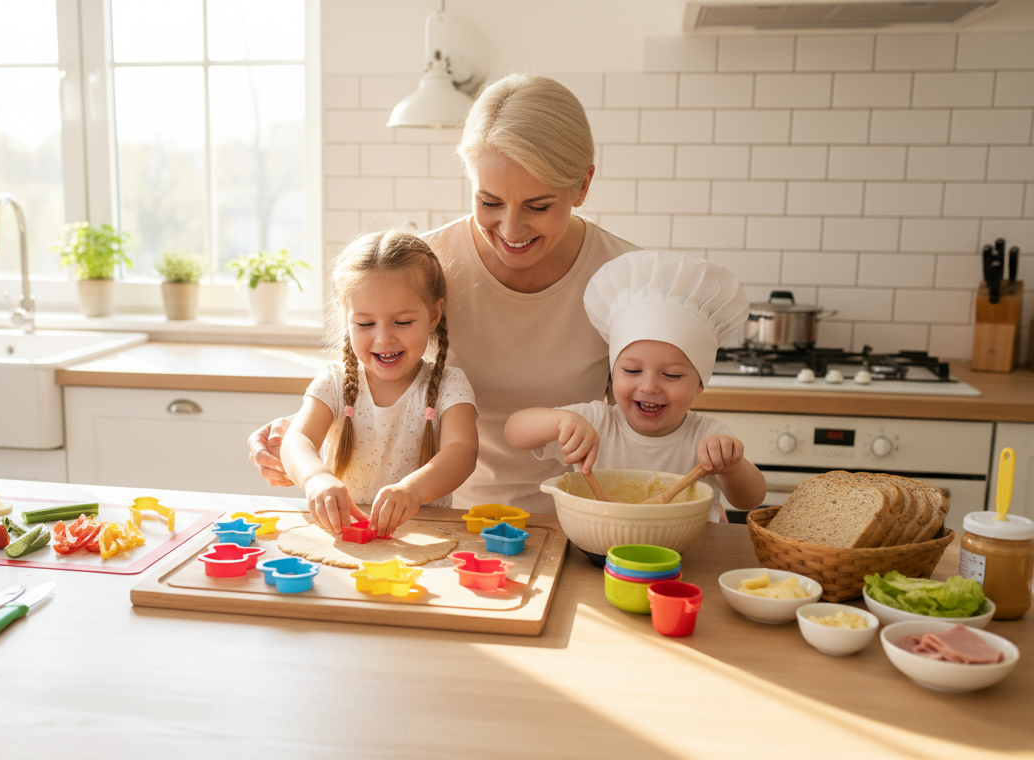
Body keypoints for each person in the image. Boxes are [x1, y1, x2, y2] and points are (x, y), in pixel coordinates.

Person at [250, 73, 640, 513]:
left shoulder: (626, 278)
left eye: (539, 206)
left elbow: (649, 423)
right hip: (453, 520)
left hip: (585, 518)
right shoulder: (424, 268)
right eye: (489, 202)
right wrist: (296, 439)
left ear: (583, 185)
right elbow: (378, 381)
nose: (511, 231)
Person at [504, 251, 766, 522]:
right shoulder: (596, 423)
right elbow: (514, 430)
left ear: (700, 382)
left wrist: (733, 468)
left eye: (672, 375)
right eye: (632, 370)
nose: (649, 386)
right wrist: (561, 420)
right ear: (613, 373)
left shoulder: (708, 436)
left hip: (689, 559)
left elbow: (750, 500)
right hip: (600, 552)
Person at [279, 231, 479, 536]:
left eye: (402, 322)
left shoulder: (451, 385)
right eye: (365, 324)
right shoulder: (334, 382)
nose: (384, 338)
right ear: (346, 318)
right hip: (343, 533)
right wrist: (316, 478)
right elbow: (296, 441)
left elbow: (462, 451)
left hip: (424, 537)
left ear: (434, 315)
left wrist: (412, 490)